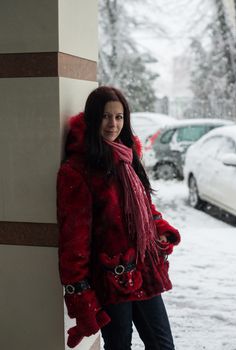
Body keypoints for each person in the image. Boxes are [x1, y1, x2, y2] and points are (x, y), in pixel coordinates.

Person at [57, 86, 181, 350]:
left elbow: (146, 207)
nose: (112, 124)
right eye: (105, 117)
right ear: (92, 119)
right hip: (112, 279)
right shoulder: (78, 170)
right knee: (118, 346)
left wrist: (159, 228)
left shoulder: (128, 156)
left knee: (163, 345)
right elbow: (74, 242)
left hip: (144, 269)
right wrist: (80, 294)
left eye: (119, 117)